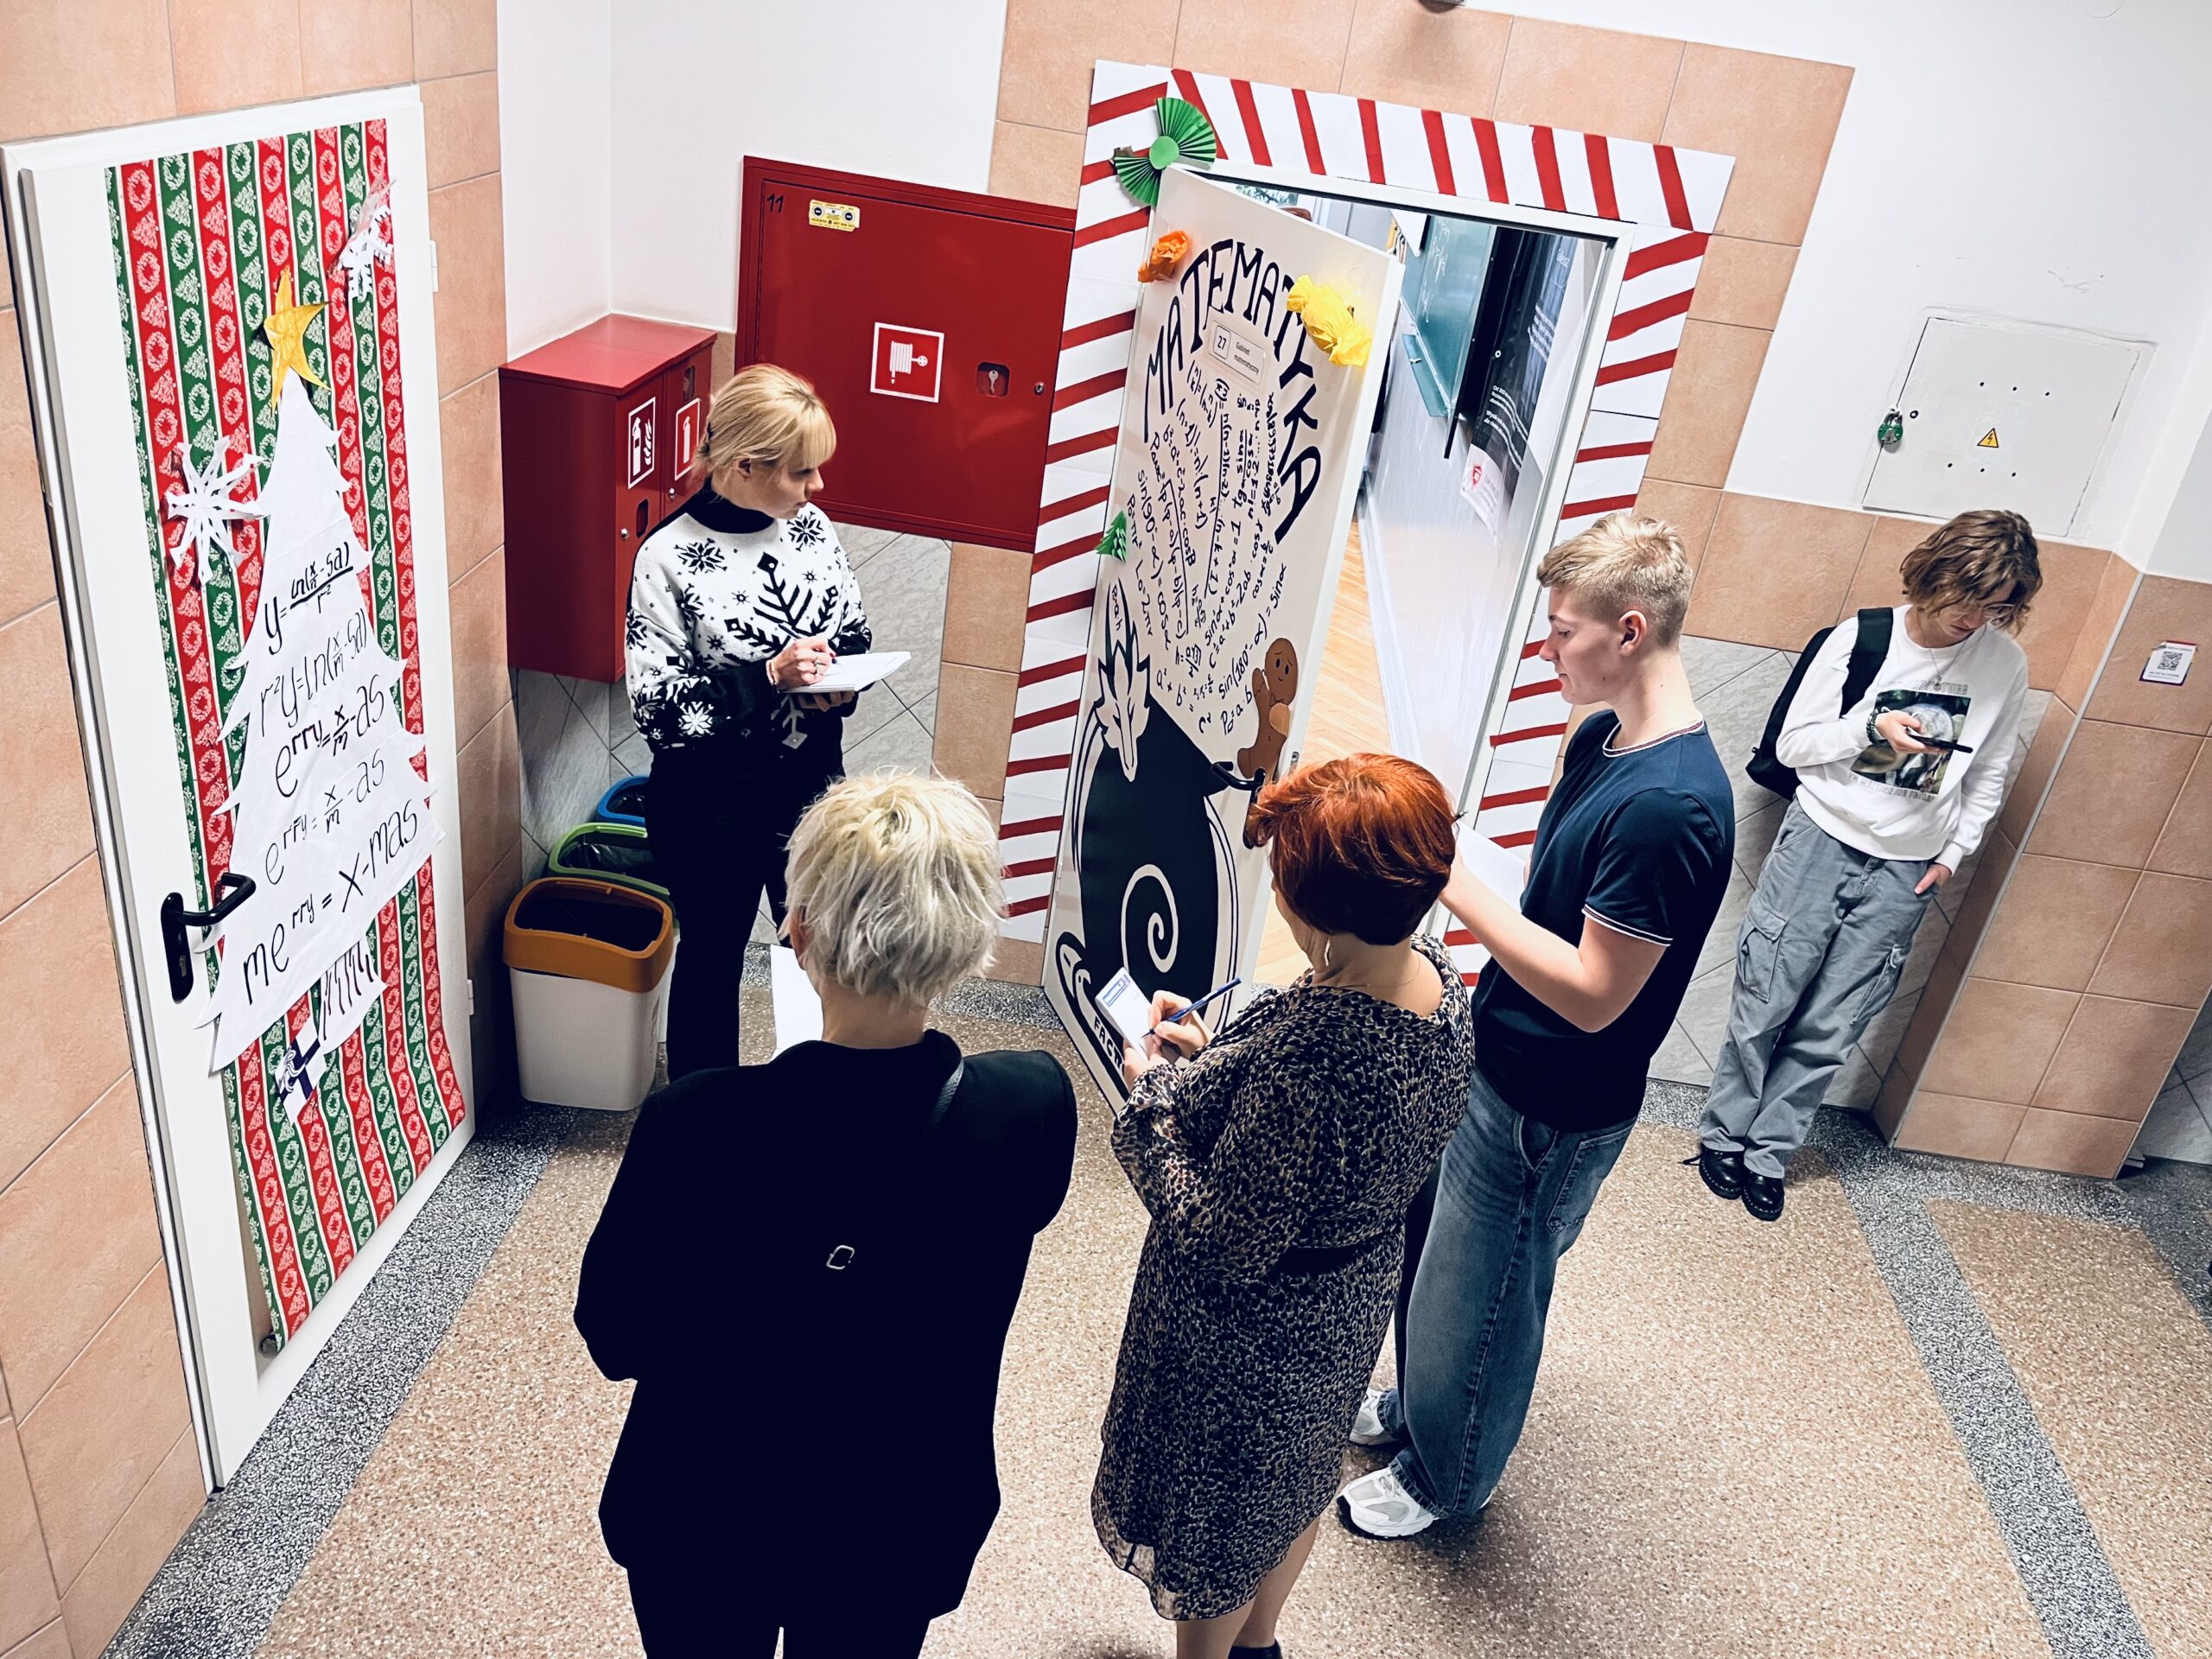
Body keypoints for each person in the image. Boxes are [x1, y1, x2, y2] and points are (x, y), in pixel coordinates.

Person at [575, 773, 1077, 1659]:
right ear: (968, 939)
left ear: (798, 931)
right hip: (901, 1518)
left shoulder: (695, 1122)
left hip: (703, 1513)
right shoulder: (1032, 1105)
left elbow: (616, 1336)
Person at [1339, 512, 1732, 1539]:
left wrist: (1449, 880)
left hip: (1552, 1106)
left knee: (1488, 1299)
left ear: (1630, 631)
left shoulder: (1670, 810)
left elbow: (1597, 993)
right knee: (1438, 1267)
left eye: (1563, 632)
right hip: (1498, 1055)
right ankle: (1422, 1409)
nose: (1547, 650)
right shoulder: (1600, 739)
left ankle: (1448, 1478)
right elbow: (1557, 905)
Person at [1095, 753, 1475, 1659]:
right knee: (1293, 1484)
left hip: (1253, 1337)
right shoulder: (1438, 979)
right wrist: (1217, 1067)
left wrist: (1150, 1098)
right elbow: (1326, 1148)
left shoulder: (1313, 1061)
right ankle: (1260, 1643)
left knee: (1221, 1524)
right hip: (1348, 1300)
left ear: (1324, 914)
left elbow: (1221, 1239)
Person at [1697, 510, 2040, 1220]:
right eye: (1967, 599)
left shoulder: (2004, 664)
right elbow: (1792, 747)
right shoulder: (1864, 638)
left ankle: (1768, 1154)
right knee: (1766, 998)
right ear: (1935, 575)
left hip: (1908, 866)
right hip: (1821, 837)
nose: (1976, 618)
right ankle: (1723, 1136)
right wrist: (1869, 726)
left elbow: (1992, 767)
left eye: (1996, 607)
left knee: (1835, 1022)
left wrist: (1954, 853)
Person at [626, 363, 871, 1079]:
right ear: (744, 466)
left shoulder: (811, 529)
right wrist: (766, 678)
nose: (816, 487)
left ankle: (824, 1102)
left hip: (811, 791)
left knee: (826, 955)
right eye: (801, 472)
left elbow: (853, 634)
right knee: (712, 960)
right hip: (710, 806)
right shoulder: (666, 557)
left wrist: (836, 687)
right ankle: (704, 1121)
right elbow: (659, 714)